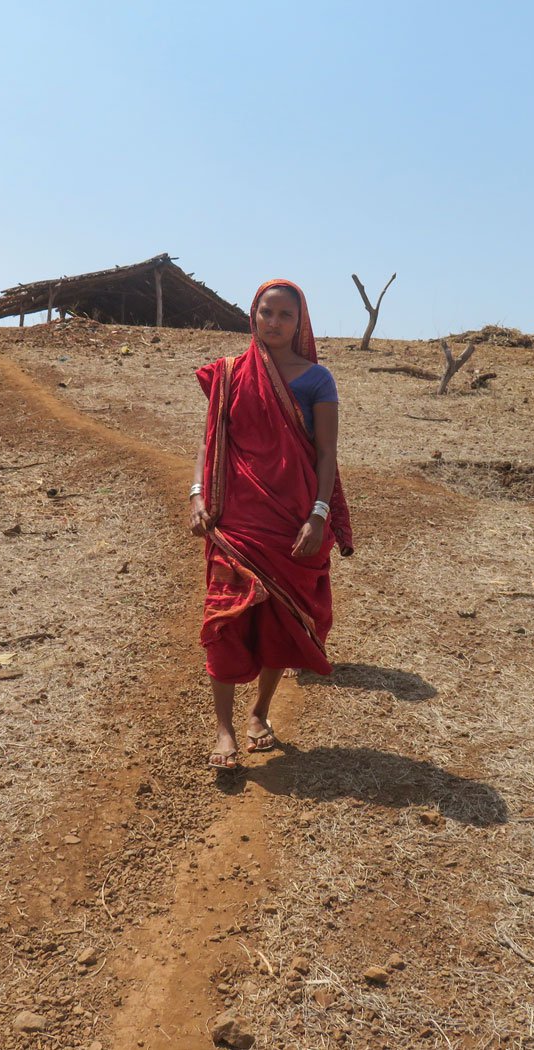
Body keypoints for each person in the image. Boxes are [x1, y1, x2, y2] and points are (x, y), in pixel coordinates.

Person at [188, 280, 354, 770]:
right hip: (234, 521)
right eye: (267, 312)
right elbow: (208, 444)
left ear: (300, 322)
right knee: (223, 618)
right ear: (253, 316)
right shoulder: (228, 374)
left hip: (291, 523)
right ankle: (223, 729)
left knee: (280, 619)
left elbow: (326, 455)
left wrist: (318, 516)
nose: (276, 322)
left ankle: (259, 713)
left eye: (286, 315)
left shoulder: (316, 380)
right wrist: (197, 494)